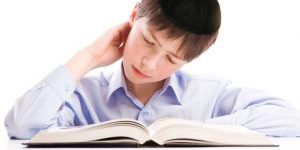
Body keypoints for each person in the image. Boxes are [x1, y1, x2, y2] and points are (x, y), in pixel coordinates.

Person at [5, 0, 300, 140]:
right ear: (133, 16)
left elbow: (290, 120)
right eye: (148, 41)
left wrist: (197, 132)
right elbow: (20, 126)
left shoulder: (209, 95)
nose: (149, 63)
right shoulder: (84, 96)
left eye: (171, 59)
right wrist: (90, 56)